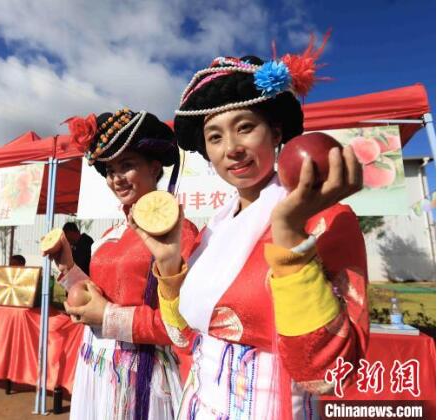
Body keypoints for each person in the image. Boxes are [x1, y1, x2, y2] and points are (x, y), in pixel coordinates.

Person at [133, 42, 370, 419]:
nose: (232, 149)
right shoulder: (213, 229)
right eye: (215, 137)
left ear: (275, 132)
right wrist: (168, 266)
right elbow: (183, 338)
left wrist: (290, 236)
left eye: (245, 127)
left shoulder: (326, 219)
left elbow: (328, 375)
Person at [50, 108, 198, 420]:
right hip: (97, 363)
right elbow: (98, 296)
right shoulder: (108, 235)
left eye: (127, 165)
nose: (116, 177)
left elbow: (182, 327)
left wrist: (108, 316)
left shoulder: (179, 233)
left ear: (154, 167)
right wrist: (67, 268)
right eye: (109, 170)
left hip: (143, 374)